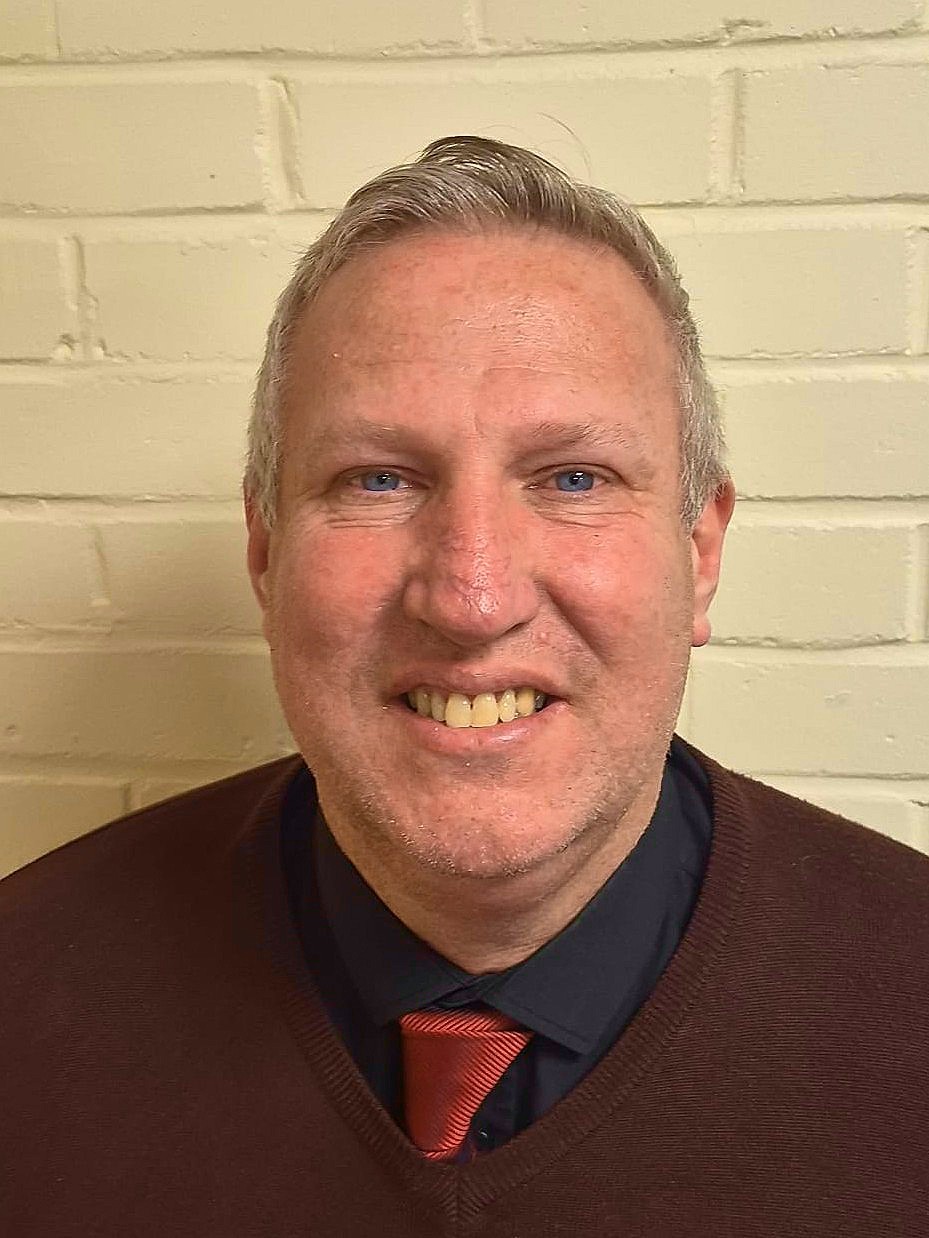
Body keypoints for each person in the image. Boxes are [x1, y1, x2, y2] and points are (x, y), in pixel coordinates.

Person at [2, 136, 927, 1237]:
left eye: (573, 477)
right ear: (265, 551)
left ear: (699, 553)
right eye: (377, 479)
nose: (472, 597)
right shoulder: (24, 996)